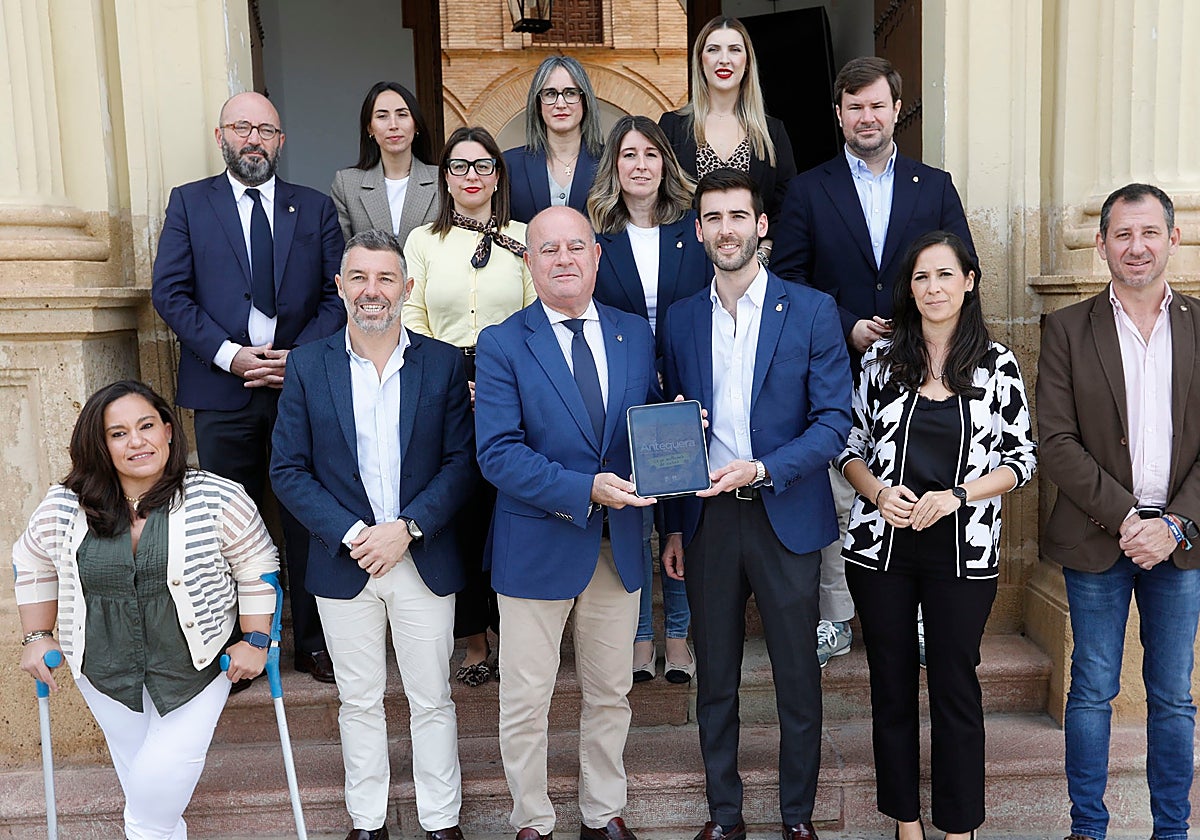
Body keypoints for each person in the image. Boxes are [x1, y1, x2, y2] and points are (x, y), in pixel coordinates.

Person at [661, 169, 852, 840]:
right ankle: (725, 815)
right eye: (713, 218)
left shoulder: (811, 310)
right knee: (715, 678)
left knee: (799, 677)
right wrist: (673, 526)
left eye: (738, 216)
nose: (727, 229)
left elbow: (833, 423)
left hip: (787, 511)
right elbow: (667, 426)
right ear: (700, 230)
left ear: (761, 225)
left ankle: (796, 817)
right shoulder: (681, 319)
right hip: (707, 516)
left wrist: (767, 467)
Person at [770, 56, 977, 667]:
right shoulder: (809, 189)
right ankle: (835, 616)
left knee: (918, 482)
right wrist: (846, 327)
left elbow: (962, 268)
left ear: (896, 111)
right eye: (854, 106)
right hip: (837, 363)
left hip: (924, 363)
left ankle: (914, 617)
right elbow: (786, 280)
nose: (867, 116)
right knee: (840, 492)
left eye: (877, 105)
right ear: (839, 115)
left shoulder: (933, 186)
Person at [270, 229, 476, 840]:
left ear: (407, 288)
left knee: (431, 698)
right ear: (340, 287)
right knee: (358, 701)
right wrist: (357, 533)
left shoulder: (442, 363)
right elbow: (287, 469)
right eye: (359, 277)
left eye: (386, 278)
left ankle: (442, 823)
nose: (372, 290)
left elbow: (461, 463)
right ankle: (369, 822)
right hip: (345, 560)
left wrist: (406, 529)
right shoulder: (308, 365)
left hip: (423, 556)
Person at [835, 231, 1036, 840]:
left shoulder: (997, 364)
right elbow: (849, 446)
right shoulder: (880, 361)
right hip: (881, 550)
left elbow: (1021, 460)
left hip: (963, 550)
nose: (934, 288)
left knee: (955, 684)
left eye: (946, 275)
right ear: (910, 288)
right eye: (922, 277)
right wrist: (876, 492)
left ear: (968, 281)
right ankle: (905, 821)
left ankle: (959, 826)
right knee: (890, 685)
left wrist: (958, 495)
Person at [14, 379, 278, 840]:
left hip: (196, 667)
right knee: (151, 793)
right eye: (118, 433)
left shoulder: (217, 496)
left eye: (146, 425)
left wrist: (256, 638)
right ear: (99, 446)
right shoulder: (65, 504)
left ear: (169, 431)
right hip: (103, 668)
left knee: (152, 799)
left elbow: (258, 562)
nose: (137, 441)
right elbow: (31, 557)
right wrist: (38, 636)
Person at [474, 206, 660, 840]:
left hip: (620, 547)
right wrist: (586, 490)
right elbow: (497, 452)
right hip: (537, 545)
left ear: (596, 257)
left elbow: (645, 428)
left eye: (575, 246)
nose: (563, 259)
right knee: (526, 701)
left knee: (611, 692)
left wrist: (682, 443)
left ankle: (602, 812)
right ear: (529, 261)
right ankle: (532, 820)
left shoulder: (635, 334)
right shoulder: (502, 342)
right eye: (547, 249)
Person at [151, 90, 345, 685]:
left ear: (281, 140)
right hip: (221, 390)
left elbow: (338, 295)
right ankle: (241, 648)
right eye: (241, 127)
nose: (253, 138)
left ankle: (315, 641)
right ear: (222, 137)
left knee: (306, 517)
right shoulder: (189, 203)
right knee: (228, 525)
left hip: (298, 388)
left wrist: (297, 358)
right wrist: (233, 356)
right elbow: (171, 294)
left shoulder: (312, 208)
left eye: (265, 129)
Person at [1038, 183, 1200, 840]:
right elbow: (1054, 440)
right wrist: (1133, 520)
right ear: (1102, 243)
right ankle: (1089, 829)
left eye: (1149, 233)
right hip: (1099, 538)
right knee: (1093, 690)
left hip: (1182, 543)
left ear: (1172, 240)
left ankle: (1171, 831)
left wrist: (1174, 524)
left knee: (1172, 697)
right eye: (1123, 234)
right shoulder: (1068, 328)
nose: (1137, 246)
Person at [404, 125, 535, 685]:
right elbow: (412, 316)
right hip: (442, 380)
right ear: (446, 177)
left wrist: (499, 380)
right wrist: (455, 379)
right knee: (459, 511)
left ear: (498, 176)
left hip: (516, 382)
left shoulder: (525, 236)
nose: (472, 176)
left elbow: (537, 315)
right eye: (460, 166)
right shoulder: (421, 241)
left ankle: (516, 629)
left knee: (508, 509)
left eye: (483, 166)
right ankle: (474, 637)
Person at [587, 114, 710, 683]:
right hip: (623, 389)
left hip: (687, 382)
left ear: (666, 164)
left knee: (682, 509)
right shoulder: (597, 238)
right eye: (629, 155)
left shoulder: (693, 229)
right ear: (614, 166)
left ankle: (679, 634)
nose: (640, 165)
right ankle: (640, 636)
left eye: (651, 155)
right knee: (633, 514)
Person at [658, 15, 796, 254]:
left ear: (747, 61)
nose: (724, 60)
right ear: (701, 61)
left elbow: (787, 204)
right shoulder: (672, 127)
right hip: (685, 264)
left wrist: (766, 249)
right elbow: (658, 199)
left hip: (752, 265)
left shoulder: (772, 132)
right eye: (713, 49)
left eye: (734, 50)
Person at [331, 81, 439, 248]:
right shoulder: (347, 184)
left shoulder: (442, 180)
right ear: (370, 129)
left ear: (416, 124)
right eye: (382, 116)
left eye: (402, 115)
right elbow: (342, 253)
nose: (393, 125)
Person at [504, 56, 604, 223]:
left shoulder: (609, 161)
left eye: (570, 93)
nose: (560, 103)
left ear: (585, 101)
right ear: (537, 104)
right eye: (550, 94)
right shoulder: (510, 165)